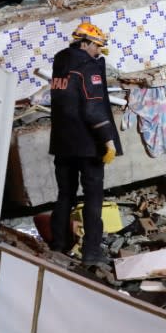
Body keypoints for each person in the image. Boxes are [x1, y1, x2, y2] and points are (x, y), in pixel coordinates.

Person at [49, 22, 122, 266]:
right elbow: (93, 108)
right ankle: (91, 252)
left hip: (62, 141)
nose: (99, 52)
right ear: (85, 42)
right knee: (93, 198)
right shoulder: (87, 67)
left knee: (65, 195)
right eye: (97, 46)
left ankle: (59, 245)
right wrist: (108, 141)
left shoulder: (60, 61)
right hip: (88, 144)